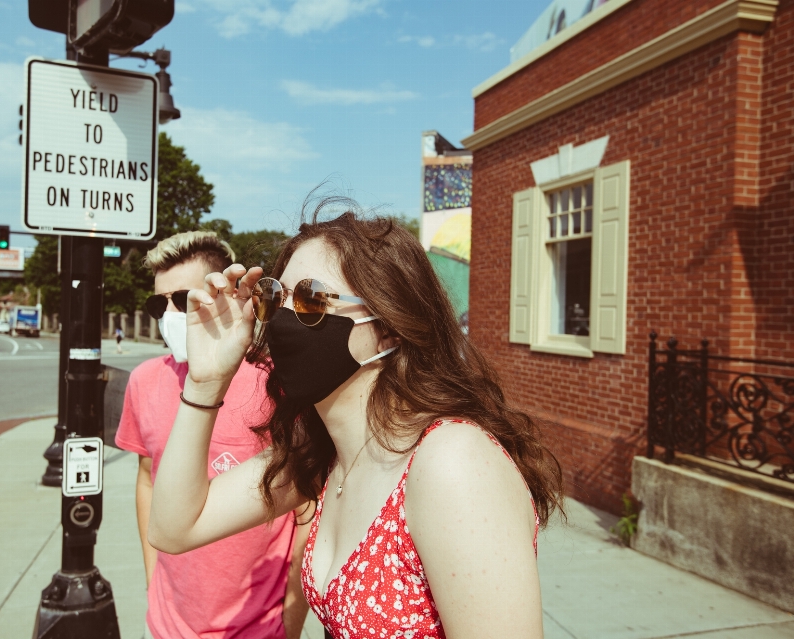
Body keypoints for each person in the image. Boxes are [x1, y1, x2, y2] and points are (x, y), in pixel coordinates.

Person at [147, 204, 563, 638]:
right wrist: (205, 382)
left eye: (310, 298)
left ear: (389, 327)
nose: (284, 319)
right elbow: (174, 527)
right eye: (274, 297)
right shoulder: (323, 454)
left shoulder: (451, 461)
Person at [114, 230, 311, 639]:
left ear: (218, 295)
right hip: (167, 626)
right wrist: (153, 582)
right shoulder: (144, 381)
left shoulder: (275, 385)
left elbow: (306, 513)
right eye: (158, 303)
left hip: (258, 629)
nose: (170, 313)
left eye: (182, 299)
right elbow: (148, 480)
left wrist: (290, 624)